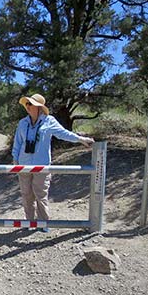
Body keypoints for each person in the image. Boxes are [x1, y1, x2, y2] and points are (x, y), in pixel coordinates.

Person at [12, 94, 94, 232]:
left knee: (41, 194)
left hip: (42, 166)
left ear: (39, 107)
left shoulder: (49, 121)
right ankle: (29, 222)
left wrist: (80, 139)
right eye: (27, 104)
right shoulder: (22, 123)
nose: (27, 107)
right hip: (23, 164)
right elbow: (17, 143)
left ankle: (43, 223)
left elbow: (64, 133)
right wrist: (15, 161)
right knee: (26, 195)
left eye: (30, 104)